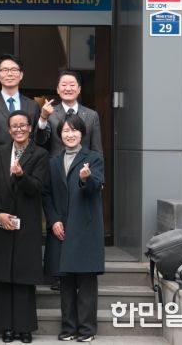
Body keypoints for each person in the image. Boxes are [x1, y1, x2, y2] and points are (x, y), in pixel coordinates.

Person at [0, 111, 49, 344]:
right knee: (1, 277)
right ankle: (5, 327)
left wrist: (21, 175)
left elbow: (37, 187)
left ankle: (24, 327)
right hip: (0, 221)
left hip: (26, 223)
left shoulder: (40, 154)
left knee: (23, 277)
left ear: (30, 128)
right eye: (14, 126)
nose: (18, 129)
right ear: (9, 130)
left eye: (23, 125)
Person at [42, 114, 105, 343]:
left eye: (74, 130)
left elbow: (96, 186)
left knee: (86, 282)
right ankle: (68, 328)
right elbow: (47, 194)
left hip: (86, 228)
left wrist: (86, 179)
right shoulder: (54, 162)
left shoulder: (93, 158)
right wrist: (53, 220)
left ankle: (87, 330)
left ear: (82, 134)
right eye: (66, 131)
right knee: (66, 282)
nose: (70, 134)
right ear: (60, 135)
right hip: (62, 228)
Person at [0, 54, 40, 159]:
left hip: (28, 160)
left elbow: (38, 138)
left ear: (21, 75)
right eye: (5, 70)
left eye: (14, 70)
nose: (9, 74)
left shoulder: (33, 105)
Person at [35, 70, 103, 157]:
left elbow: (96, 149)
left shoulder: (92, 115)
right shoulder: (49, 113)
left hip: (84, 164)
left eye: (72, 85)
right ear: (58, 90)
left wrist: (96, 165)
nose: (68, 89)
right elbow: (40, 141)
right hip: (57, 164)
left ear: (79, 89)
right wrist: (43, 117)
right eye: (64, 85)